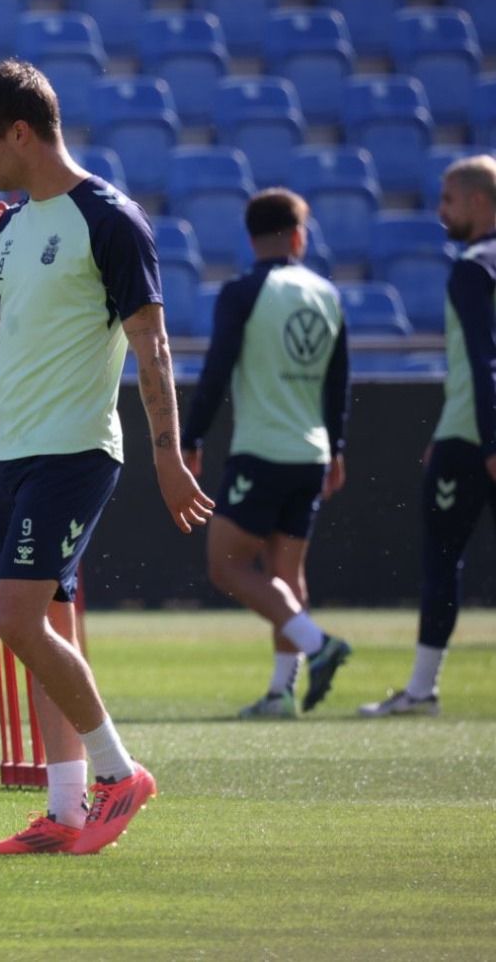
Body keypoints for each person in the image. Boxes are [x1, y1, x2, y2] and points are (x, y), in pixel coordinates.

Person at [0, 60, 214, 855]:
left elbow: (151, 344)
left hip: (75, 452)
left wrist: (168, 454)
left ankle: (120, 773)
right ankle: (65, 811)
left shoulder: (110, 218)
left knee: (15, 618)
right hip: (9, 451)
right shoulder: (13, 227)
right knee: (46, 625)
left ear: (22, 132)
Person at [181, 189, 353, 719]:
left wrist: (191, 438)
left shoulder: (243, 292)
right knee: (285, 569)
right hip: (313, 451)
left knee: (225, 564)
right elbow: (338, 379)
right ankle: (281, 692)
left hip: (262, 451)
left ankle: (317, 642)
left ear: (250, 237)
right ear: (299, 236)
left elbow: (216, 370)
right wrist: (338, 445)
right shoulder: (326, 292)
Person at [361, 153, 496, 718]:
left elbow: (482, 360)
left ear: (478, 201)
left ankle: (421, 689)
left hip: (474, 438)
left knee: (442, 558)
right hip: (464, 429)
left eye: (448, 199)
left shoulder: (473, 265)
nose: (440, 211)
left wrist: (486, 442)